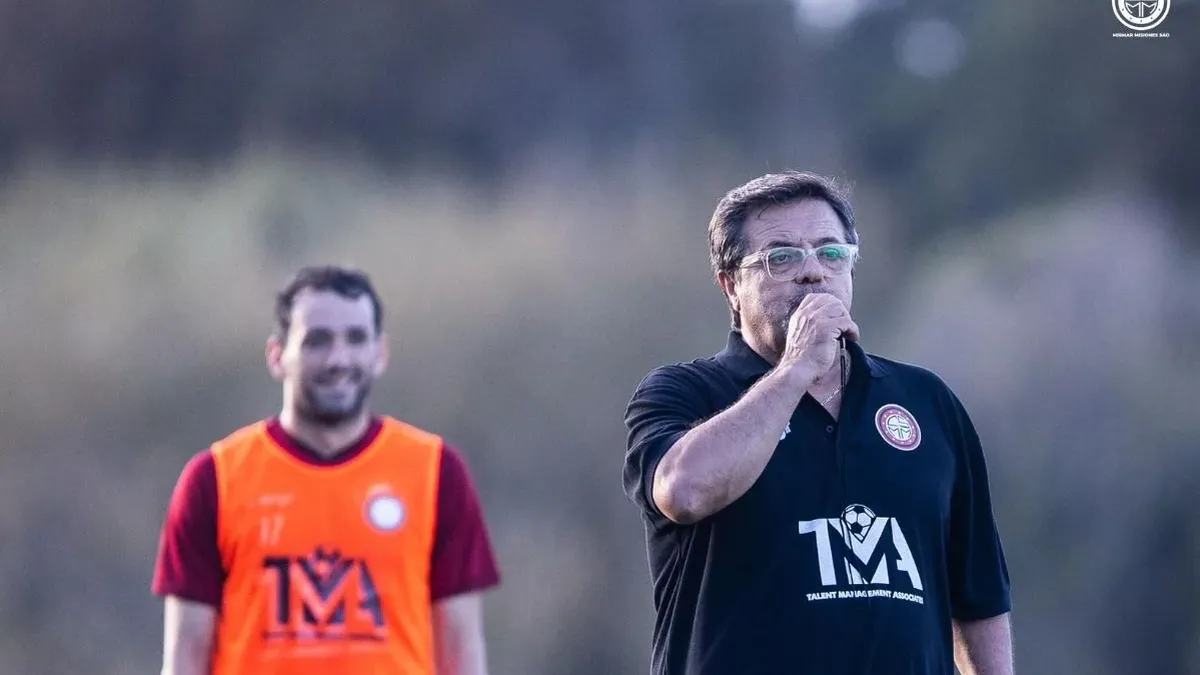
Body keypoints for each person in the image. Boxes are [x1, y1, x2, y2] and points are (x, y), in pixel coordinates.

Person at [622, 171, 1014, 675]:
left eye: (831, 253)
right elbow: (686, 492)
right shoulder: (683, 392)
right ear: (730, 286)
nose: (813, 271)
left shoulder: (927, 401)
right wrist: (796, 369)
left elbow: (978, 594)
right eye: (781, 258)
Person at [152, 265, 501, 675]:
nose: (339, 359)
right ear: (277, 356)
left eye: (356, 339)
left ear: (380, 353)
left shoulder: (437, 473)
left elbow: (461, 649)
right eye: (317, 341)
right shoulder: (214, 479)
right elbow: (186, 655)